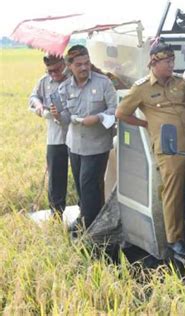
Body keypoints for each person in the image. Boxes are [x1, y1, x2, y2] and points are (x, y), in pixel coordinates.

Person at [115, 42, 185, 259]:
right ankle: (174, 241)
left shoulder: (180, 82)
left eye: (172, 60)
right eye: (167, 61)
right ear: (154, 62)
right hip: (169, 147)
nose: (172, 65)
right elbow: (121, 113)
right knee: (173, 191)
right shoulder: (141, 88)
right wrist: (146, 125)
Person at [51, 45, 117, 228]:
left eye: (87, 63)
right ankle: (86, 219)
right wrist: (57, 115)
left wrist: (98, 117)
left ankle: (91, 227)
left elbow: (115, 109)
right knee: (81, 187)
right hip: (75, 145)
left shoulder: (103, 83)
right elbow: (64, 119)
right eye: (79, 64)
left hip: (97, 145)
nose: (84, 68)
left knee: (89, 186)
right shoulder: (65, 88)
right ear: (69, 66)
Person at [29, 54, 69, 214]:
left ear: (64, 63)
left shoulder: (74, 79)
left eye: (57, 69)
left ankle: (84, 213)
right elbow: (33, 96)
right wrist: (39, 106)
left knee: (82, 177)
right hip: (55, 136)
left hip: (78, 136)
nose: (53, 74)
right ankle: (56, 212)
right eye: (49, 71)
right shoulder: (44, 81)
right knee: (56, 176)